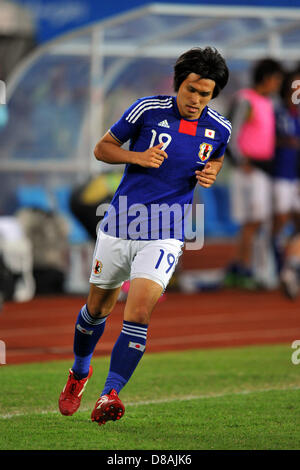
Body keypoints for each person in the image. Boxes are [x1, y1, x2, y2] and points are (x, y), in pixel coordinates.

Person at [58, 47, 231, 426]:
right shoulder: (147, 110)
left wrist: (212, 170)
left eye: (205, 93)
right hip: (121, 224)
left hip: (166, 232)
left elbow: (217, 154)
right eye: (191, 90)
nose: (196, 99)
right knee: (96, 311)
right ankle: (80, 371)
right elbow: (102, 148)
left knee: (137, 312)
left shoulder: (220, 128)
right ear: (178, 84)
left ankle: (110, 393)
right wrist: (138, 157)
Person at [224, 58, 283, 289]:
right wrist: (239, 161)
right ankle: (245, 268)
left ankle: (242, 265)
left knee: (255, 221)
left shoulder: (269, 102)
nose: (278, 84)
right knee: (253, 221)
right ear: (267, 78)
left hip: (264, 169)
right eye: (276, 79)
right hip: (249, 170)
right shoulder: (246, 99)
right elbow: (231, 130)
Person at [271, 70, 300, 275]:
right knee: (280, 220)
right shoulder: (277, 111)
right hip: (281, 174)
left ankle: (291, 263)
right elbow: (267, 139)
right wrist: (285, 142)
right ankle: (276, 264)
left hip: (296, 175)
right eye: (295, 86)